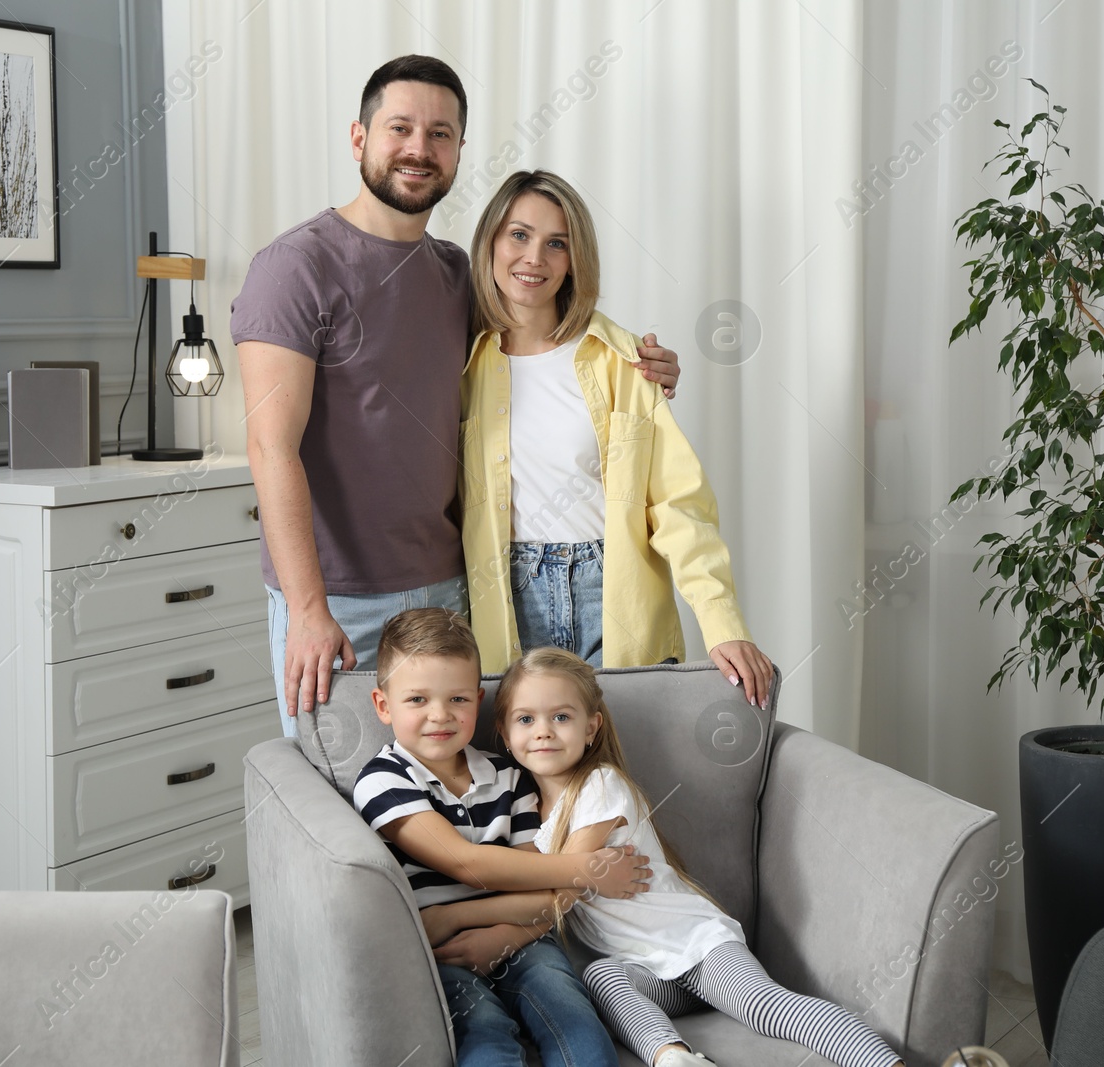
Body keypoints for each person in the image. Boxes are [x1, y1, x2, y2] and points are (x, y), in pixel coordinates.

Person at [231, 57, 682, 734]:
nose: (420, 148)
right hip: (338, 599)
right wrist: (307, 609)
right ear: (359, 138)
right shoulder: (295, 267)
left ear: (459, 151)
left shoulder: (456, 276)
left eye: (440, 133)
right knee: (341, 799)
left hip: (451, 590)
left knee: (456, 789)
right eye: (401, 128)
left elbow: (539, 348)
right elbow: (270, 447)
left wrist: (638, 362)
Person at [495, 647, 908, 1067]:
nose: (543, 731)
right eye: (526, 719)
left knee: (765, 1007)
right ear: (506, 734)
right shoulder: (528, 817)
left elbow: (558, 893)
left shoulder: (601, 785)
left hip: (698, 944)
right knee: (602, 978)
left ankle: (884, 1063)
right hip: (648, 970)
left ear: (591, 727)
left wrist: (461, 924)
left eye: (561, 717)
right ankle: (673, 1057)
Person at [459, 170, 773, 707]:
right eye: (519, 234)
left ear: (575, 259)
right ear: (489, 240)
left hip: (612, 591)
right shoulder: (461, 362)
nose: (534, 257)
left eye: (556, 243)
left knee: (625, 762)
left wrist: (723, 622)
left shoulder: (624, 359)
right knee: (530, 770)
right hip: (506, 596)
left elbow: (678, 504)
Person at [353, 608, 647, 1067]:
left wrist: (507, 935)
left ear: (478, 698)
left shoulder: (509, 775)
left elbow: (542, 892)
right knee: (485, 1030)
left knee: (572, 1017)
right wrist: (588, 871)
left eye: (457, 700)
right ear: (383, 704)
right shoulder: (385, 780)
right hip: (440, 949)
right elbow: (466, 863)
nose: (439, 716)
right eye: (416, 700)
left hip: (523, 939)